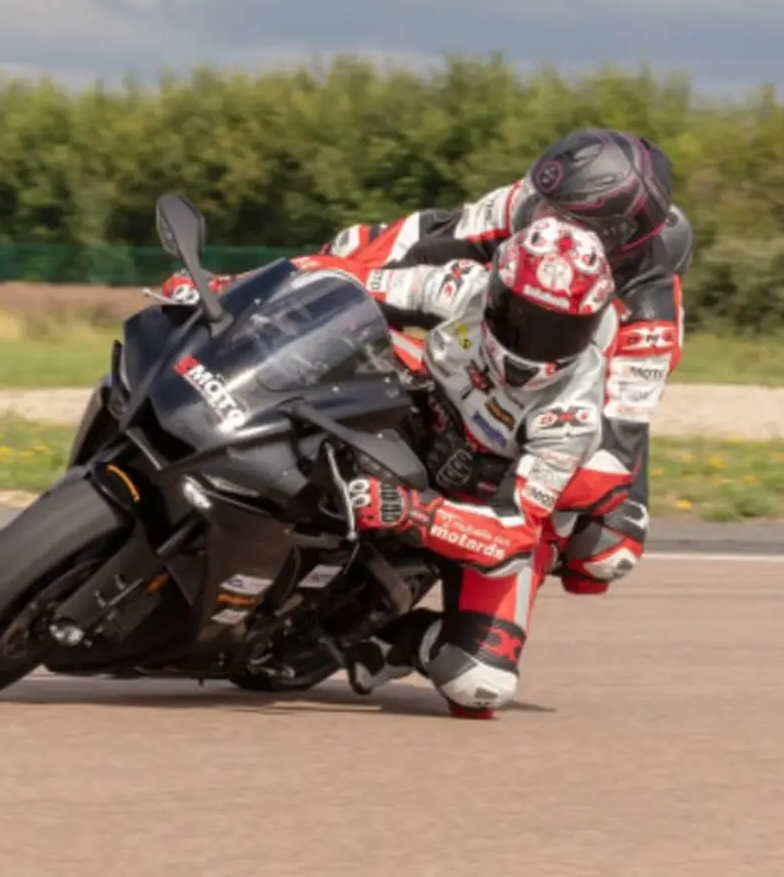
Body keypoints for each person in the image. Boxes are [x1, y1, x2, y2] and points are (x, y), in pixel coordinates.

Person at [169, 217, 626, 716]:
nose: (536, 344)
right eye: (524, 318)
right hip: (416, 409)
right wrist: (223, 288)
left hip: (475, 504)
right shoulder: (461, 288)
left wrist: (412, 513)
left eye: (563, 331)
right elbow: (346, 278)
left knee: (478, 683)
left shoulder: (573, 412)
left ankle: (397, 640)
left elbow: (512, 533)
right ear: (496, 292)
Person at [315, 128, 693, 597]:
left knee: (606, 549)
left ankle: (492, 574)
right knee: (347, 250)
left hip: (575, 416)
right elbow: (429, 238)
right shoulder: (530, 203)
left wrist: (493, 479)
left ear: (616, 237)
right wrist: (309, 274)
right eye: (542, 199)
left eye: (559, 214)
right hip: (482, 363)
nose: (539, 215)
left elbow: (614, 453)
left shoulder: (648, 314)